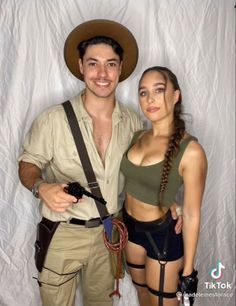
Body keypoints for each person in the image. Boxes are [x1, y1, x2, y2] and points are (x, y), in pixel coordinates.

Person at [18, 20, 182, 306]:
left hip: (110, 233)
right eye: (94, 64)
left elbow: (142, 175)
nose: (102, 74)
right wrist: (41, 187)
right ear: (81, 66)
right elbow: (28, 165)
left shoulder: (133, 122)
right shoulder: (53, 119)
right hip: (62, 233)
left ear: (120, 69)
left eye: (111, 64)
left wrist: (166, 200)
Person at [120, 66, 208, 306]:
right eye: (143, 92)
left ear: (175, 95)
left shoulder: (191, 151)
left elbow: (191, 214)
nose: (150, 99)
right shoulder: (137, 136)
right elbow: (139, 181)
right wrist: (170, 200)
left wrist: (188, 271)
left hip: (162, 237)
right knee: (142, 296)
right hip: (130, 230)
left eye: (158, 90)